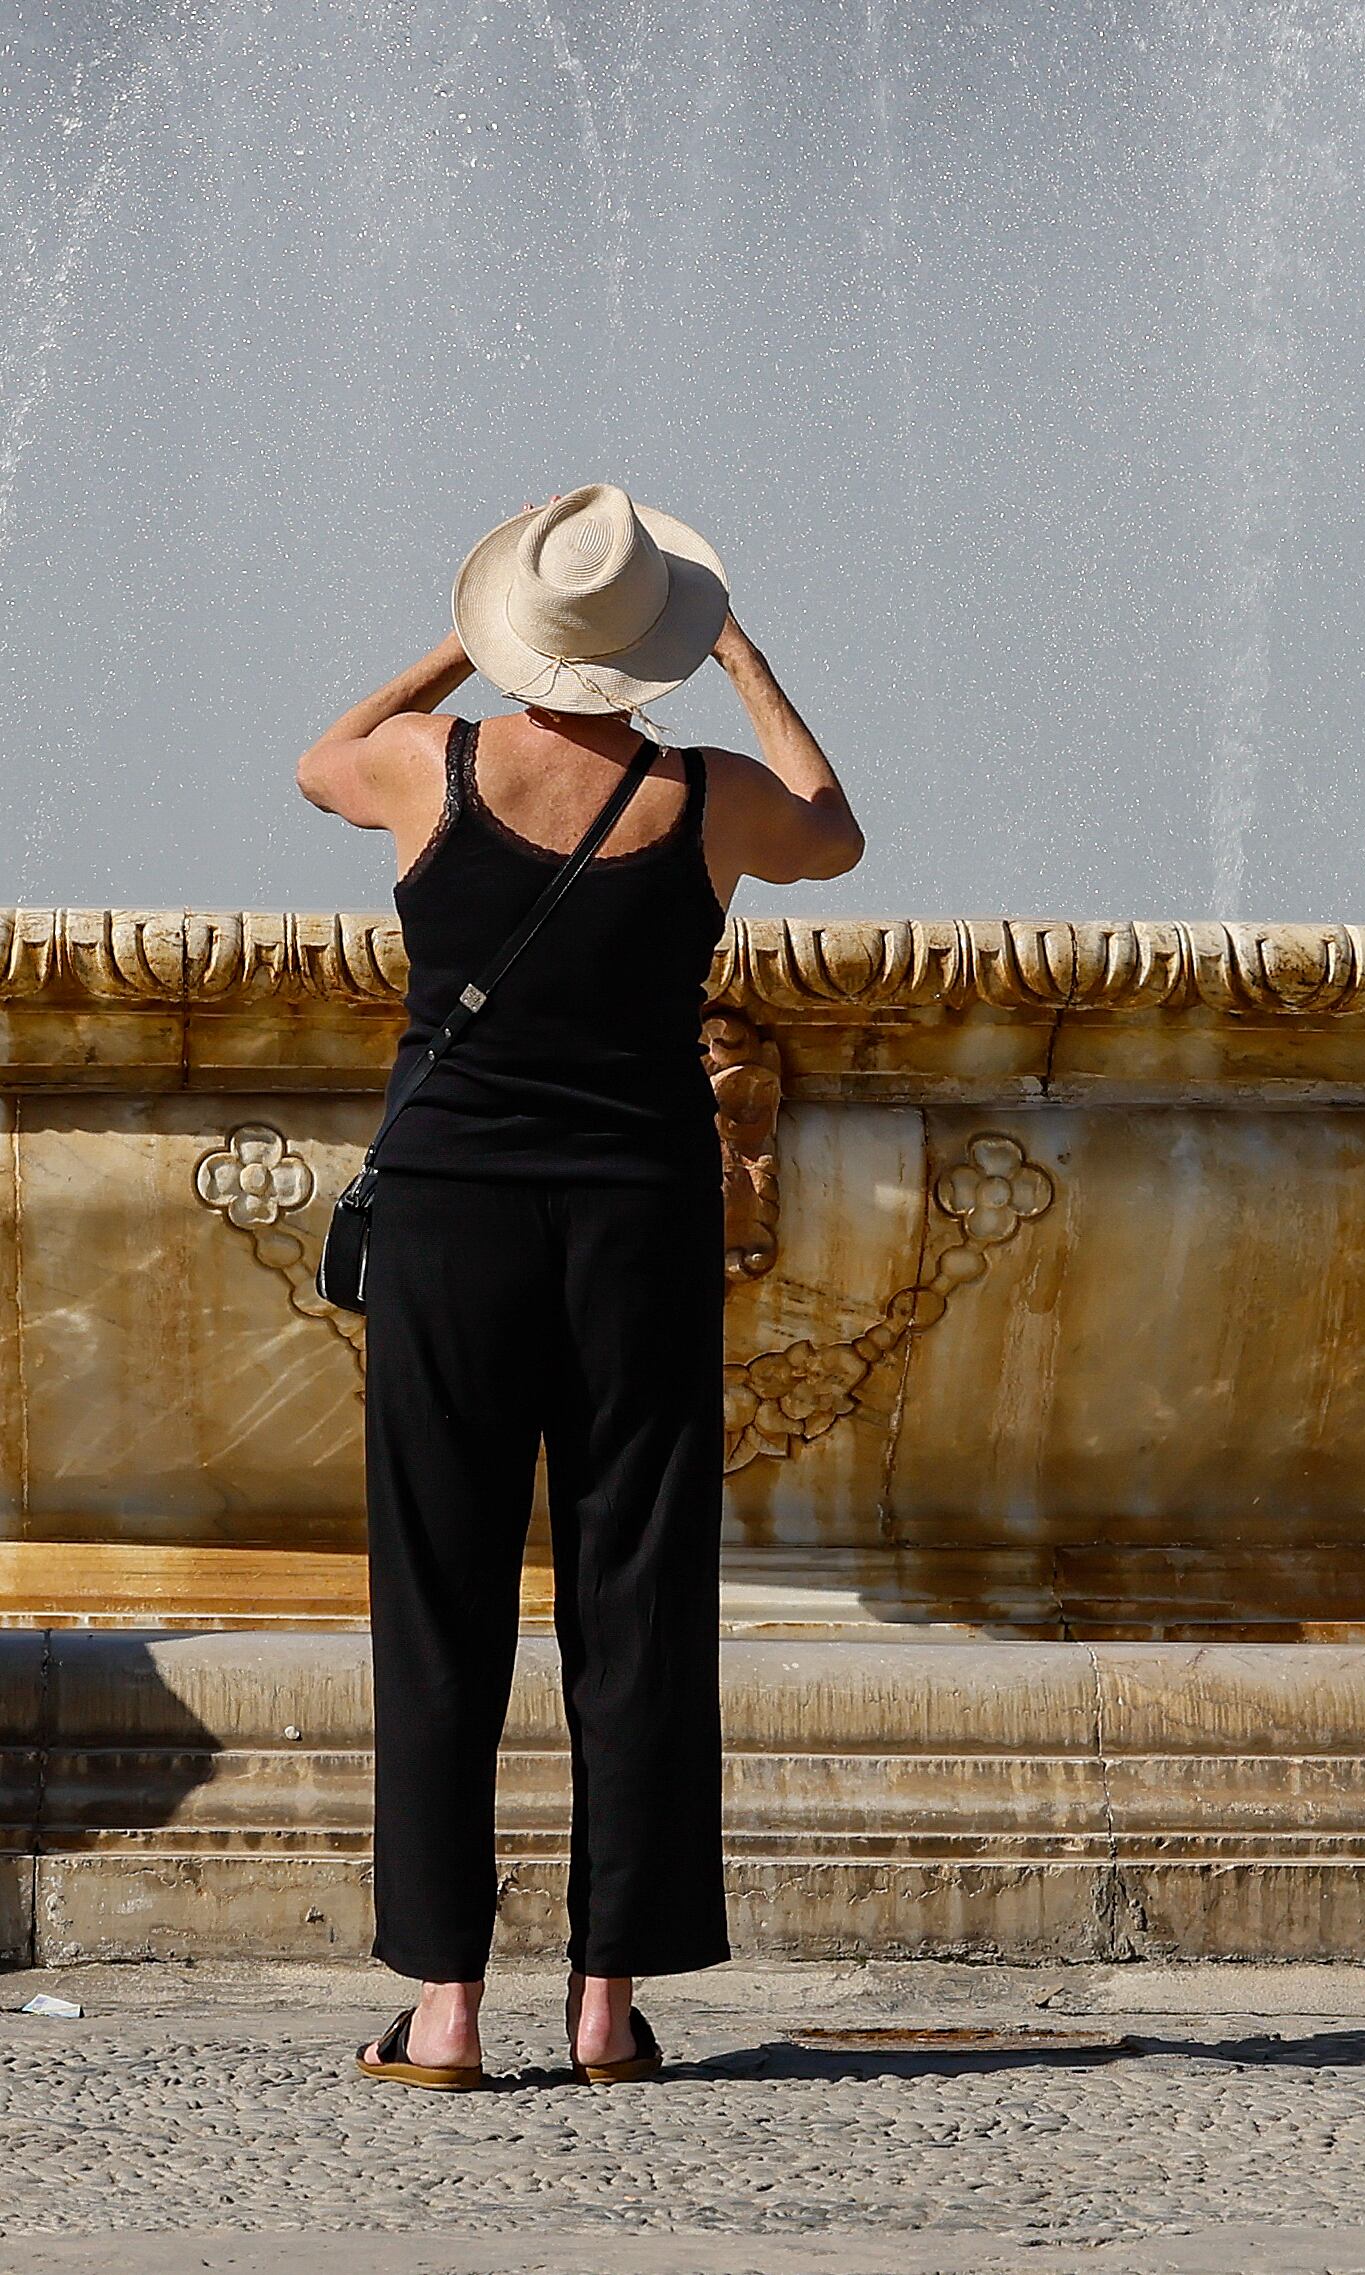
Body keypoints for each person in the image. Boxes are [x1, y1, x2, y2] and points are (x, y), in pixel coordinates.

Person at [297, 484, 864, 2088]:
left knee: (439, 1603)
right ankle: (608, 2003)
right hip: (639, 1227)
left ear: (515, 636)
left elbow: (317, 754)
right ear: (659, 650)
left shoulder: (432, 766)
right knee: (638, 1603)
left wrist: (455, 650)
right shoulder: (714, 797)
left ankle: (448, 2010)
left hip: (450, 1225)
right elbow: (839, 827)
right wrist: (742, 659)